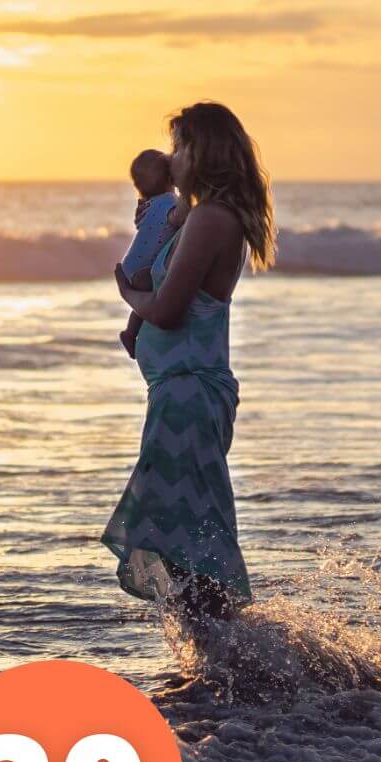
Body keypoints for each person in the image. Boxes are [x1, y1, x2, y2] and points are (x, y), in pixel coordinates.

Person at [102, 101, 277, 625]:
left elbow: (169, 309)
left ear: (200, 152)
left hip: (188, 395)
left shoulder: (209, 220)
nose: (171, 157)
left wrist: (127, 295)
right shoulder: (199, 216)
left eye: (179, 147)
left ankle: (223, 655)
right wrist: (161, 212)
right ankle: (219, 656)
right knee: (188, 529)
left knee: (186, 536)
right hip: (181, 393)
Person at [118, 150, 187, 359]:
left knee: (149, 300)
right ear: (169, 178)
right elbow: (178, 218)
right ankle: (131, 334)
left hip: (132, 265)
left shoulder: (148, 205)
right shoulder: (169, 202)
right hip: (142, 268)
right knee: (154, 300)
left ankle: (131, 334)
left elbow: (143, 224)